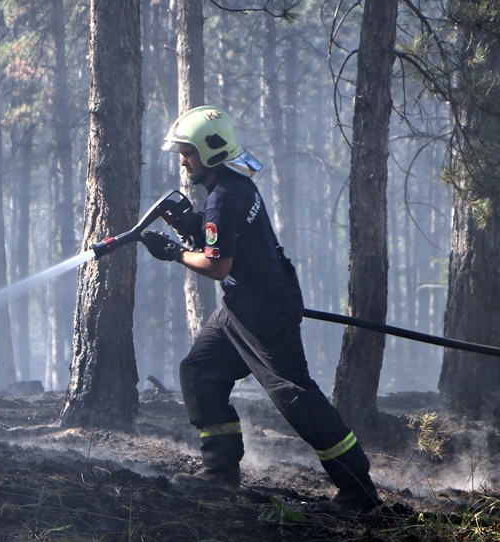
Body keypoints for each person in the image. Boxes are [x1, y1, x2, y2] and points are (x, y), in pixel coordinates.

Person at [140, 105, 382, 513]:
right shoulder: (236, 184)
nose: (183, 161)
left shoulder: (223, 197)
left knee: (295, 397)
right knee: (200, 371)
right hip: (241, 306)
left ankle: (358, 489)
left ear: (209, 151)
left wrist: (175, 253)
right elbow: (232, 237)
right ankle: (220, 472)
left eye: (188, 152)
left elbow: (217, 265)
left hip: (263, 311)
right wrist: (192, 227)